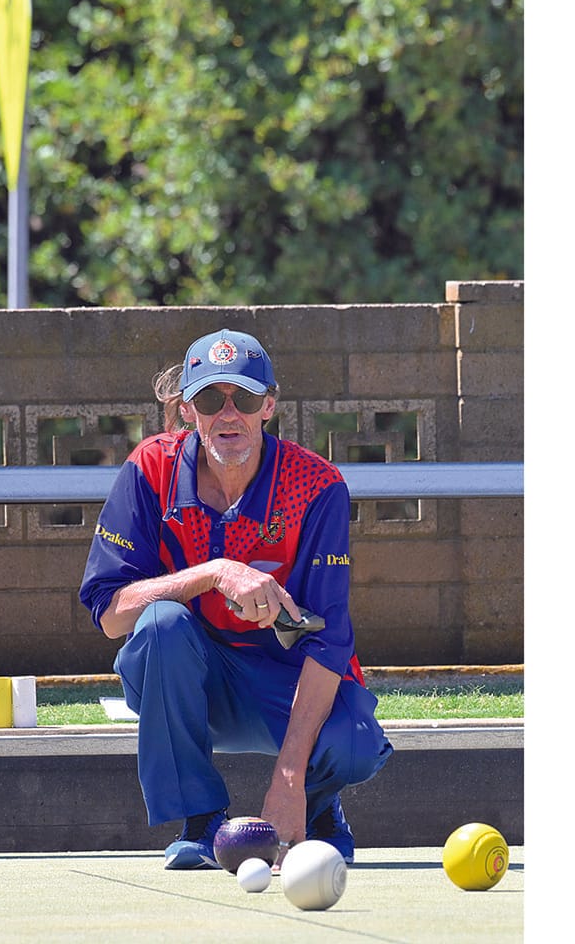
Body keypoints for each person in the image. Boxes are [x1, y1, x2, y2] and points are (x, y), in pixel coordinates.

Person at [78, 329, 393, 870]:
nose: (228, 415)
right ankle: (200, 818)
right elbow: (110, 615)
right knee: (159, 626)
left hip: (286, 677)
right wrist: (215, 574)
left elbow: (329, 640)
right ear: (185, 409)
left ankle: (316, 808)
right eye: (209, 399)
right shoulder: (149, 469)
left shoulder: (317, 486)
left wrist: (289, 779)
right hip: (192, 675)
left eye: (244, 399)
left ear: (268, 405)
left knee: (356, 745)